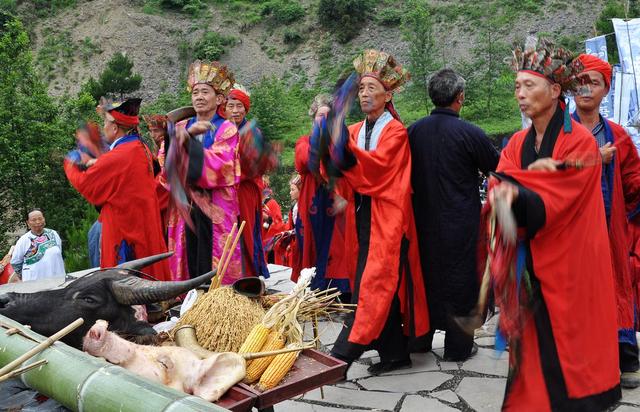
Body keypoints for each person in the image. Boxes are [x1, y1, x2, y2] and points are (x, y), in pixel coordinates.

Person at [491, 38, 620, 410]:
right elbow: (503, 178)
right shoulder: (518, 141)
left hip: (570, 263)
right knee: (532, 355)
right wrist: (508, 191)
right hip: (531, 265)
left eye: (528, 85)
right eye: (517, 86)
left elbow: (556, 197)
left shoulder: (577, 141)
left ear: (555, 89)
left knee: (571, 353)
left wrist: (516, 190)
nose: (520, 93)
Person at [328, 49, 429, 374]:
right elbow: (336, 164)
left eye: (373, 88)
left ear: (388, 94)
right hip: (362, 216)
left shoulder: (396, 132)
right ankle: (394, 352)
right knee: (372, 284)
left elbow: (379, 169)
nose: (366, 93)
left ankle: (341, 357)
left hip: (388, 218)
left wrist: (341, 144)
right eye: (362, 88)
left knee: (376, 284)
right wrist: (327, 136)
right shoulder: (356, 130)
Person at [408, 69, 499, 361]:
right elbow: (498, 168)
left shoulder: (413, 131)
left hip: (421, 220)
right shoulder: (470, 133)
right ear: (460, 97)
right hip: (460, 222)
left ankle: (420, 338)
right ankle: (458, 347)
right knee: (460, 280)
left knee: (424, 276)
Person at [572, 53, 640, 388]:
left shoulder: (618, 135)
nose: (585, 88)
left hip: (608, 228)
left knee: (615, 287)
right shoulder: (556, 133)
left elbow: (633, 183)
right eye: (580, 81)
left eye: (593, 82)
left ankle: (626, 356)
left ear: (605, 90)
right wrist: (590, 160)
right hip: (569, 234)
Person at [64, 98, 170, 278]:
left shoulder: (122, 154)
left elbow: (88, 184)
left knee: (126, 281)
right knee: (147, 276)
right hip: (142, 221)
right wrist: (98, 161)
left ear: (115, 128)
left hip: (125, 226)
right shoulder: (139, 146)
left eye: (105, 122)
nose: (103, 127)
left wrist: (70, 163)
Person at [166, 60, 242, 283]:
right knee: (190, 257)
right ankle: (190, 298)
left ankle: (217, 305)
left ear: (219, 99)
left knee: (216, 264)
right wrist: (184, 137)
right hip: (188, 205)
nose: (198, 96)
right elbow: (167, 165)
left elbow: (221, 166)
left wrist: (188, 143)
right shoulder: (182, 127)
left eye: (205, 92)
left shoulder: (227, 128)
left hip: (216, 203)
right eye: (195, 92)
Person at [291, 93, 350, 292]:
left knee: (336, 244)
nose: (324, 120)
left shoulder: (342, 142)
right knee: (310, 242)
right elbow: (305, 160)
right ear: (313, 118)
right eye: (320, 116)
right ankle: (311, 286)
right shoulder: (303, 141)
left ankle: (335, 288)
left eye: (328, 116)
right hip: (313, 201)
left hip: (334, 200)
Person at [225, 86, 270, 278]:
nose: (235, 111)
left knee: (244, 232)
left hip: (245, 191)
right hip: (226, 191)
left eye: (239, 106)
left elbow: (257, 165)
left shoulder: (253, 133)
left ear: (246, 110)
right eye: (231, 106)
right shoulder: (222, 130)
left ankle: (247, 275)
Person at [10, 209, 65, 281]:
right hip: (34, 282)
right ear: (28, 223)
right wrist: (24, 277)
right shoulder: (23, 240)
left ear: (44, 219)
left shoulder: (53, 234)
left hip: (57, 279)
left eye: (40, 218)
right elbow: (15, 262)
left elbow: (59, 253)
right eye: (34, 220)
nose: (38, 222)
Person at [143, 114, 171, 237]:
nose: (153, 135)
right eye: (151, 131)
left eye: (156, 130)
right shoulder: (160, 148)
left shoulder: (166, 146)